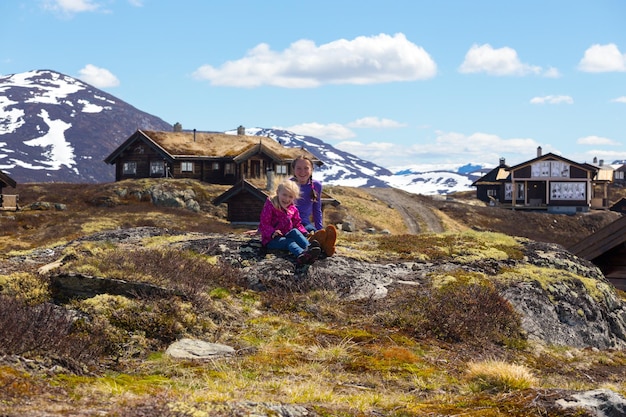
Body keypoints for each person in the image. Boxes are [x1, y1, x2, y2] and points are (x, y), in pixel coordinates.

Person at [258, 179, 321, 265]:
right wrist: (272, 232)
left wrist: (305, 233)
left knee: (295, 231)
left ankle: (309, 249)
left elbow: (297, 224)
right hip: (271, 239)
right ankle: (301, 255)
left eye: (290, 196)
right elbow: (264, 223)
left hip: (285, 234)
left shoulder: (293, 209)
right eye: (284, 195)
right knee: (289, 241)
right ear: (278, 192)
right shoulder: (271, 205)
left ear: (294, 198)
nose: (287, 199)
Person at [291, 155, 337, 256]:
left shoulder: (316, 185)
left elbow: (317, 209)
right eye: (298, 168)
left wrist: (320, 228)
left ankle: (326, 244)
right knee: (301, 234)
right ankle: (320, 245)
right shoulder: (288, 185)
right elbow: (277, 207)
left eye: (306, 168)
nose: (302, 171)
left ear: (312, 170)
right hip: (289, 223)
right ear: (293, 170)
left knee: (314, 232)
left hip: (305, 222)